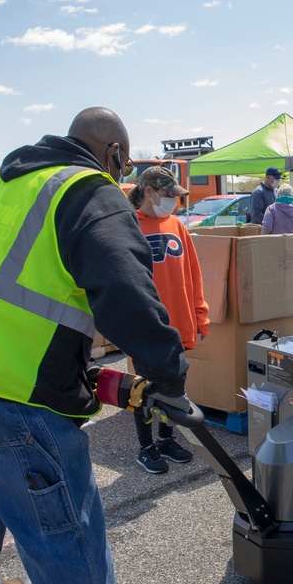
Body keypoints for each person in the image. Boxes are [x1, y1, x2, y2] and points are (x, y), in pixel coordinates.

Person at [0, 107, 192, 584]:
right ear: (116, 153)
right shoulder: (90, 188)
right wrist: (169, 377)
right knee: (66, 540)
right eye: (121, 164)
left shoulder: (7, 183)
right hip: (2, 392)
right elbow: (126, 291)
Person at [125, 166, 209, 473]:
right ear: (148, 192)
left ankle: (165, 439)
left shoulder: (176, 225)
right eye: (168, 195)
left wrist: (200, 314)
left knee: (174, 384)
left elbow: (193, 273)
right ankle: (145, 447)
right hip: (145, 326)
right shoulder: (129, 225)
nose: (173, 201)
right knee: (144, 389)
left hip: (177, 325)